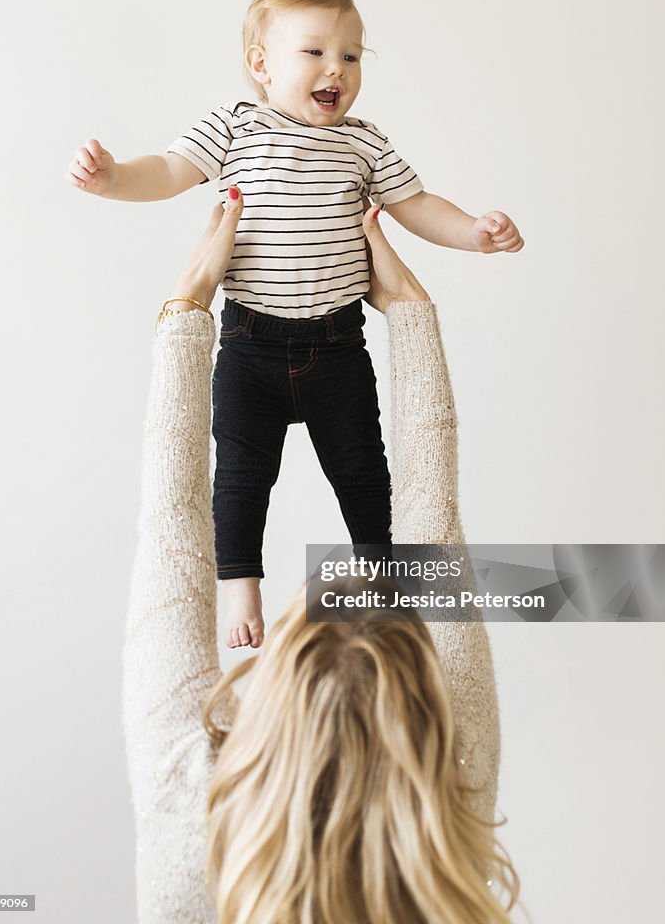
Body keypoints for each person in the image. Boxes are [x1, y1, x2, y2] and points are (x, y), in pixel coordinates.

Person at [67, 0, 525, 649]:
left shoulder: (364, 143)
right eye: (314, 53)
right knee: (241, 472)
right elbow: (166, 171)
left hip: (338, 345)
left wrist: (474, 233)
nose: (336, 69)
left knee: (364, 468)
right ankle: (240, 585)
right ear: (261, 64)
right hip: (251, 345)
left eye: (351, 55)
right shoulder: (234, 126)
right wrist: (112, 179)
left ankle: (379, 578)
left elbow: (417, 205)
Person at [121, 186, 521, 923]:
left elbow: (171, 519)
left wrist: (189, 301)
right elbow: (431, 506)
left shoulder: (197, 829)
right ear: (429, 720)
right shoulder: (452, 831)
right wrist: (407, 304)